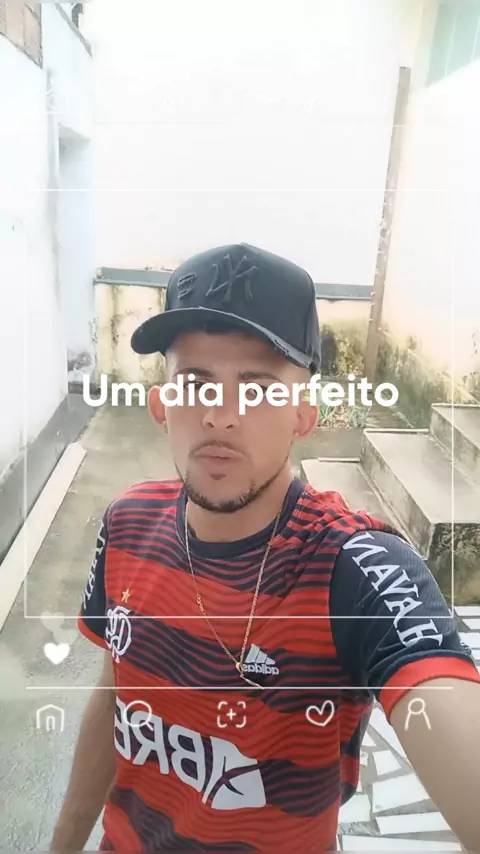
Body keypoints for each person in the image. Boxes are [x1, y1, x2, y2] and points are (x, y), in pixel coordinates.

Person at [50, 243, 480, 853]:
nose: (220, 415)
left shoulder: (353, 570)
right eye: (195, 383)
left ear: (304, 415)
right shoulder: (126, 524)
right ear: (161, 406)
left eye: (256, 389)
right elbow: (114, 692)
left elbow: (441, 697)